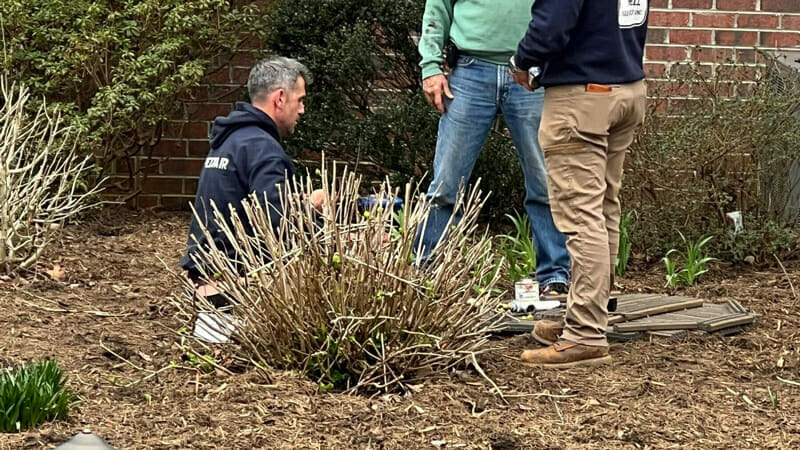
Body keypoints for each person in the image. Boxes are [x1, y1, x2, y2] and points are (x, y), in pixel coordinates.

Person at [510, 0, 649, 367]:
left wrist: (522, 61)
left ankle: (585, 333)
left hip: (582, 97)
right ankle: (588, 315)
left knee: (582, 216)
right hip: (628, 88)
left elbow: (552, 23)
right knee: (603, 208)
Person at [416, 0, 570, 297]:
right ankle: (426, 270)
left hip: (533, 72)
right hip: (470, 70)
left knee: (546, 181)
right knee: (447, 180)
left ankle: (555, 273)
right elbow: (438, 6)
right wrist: (431, 66)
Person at [180, 56, 323, 285]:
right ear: (281, 98)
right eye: (300, 100)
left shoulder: (231, 140)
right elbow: (281, 226)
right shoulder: (263, 149)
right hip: (237, 291)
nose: (302, 110)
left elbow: (247, 205)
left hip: (207, 279)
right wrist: (314, 211)